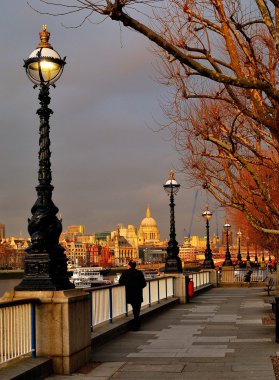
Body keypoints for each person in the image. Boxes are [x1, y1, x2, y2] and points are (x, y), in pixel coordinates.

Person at [119, 260, 146, 330]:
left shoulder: (125, 273)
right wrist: (139, 287)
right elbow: (144, 284)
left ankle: (136, 325)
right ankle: (137, 324)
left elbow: (120, 282)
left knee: (134, 308)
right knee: (137, 309)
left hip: (130, 293)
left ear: (129, 266)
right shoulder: (139, 273)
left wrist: (128, 284)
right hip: (138, 293)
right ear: (135, 266)